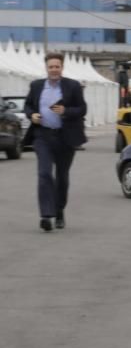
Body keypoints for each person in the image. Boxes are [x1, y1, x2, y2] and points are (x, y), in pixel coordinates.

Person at [23, 51, 88, 232]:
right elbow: (28, 105)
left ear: (62, 67)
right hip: (42, 136)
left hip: (65, 137)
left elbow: (82, 109)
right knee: (44, 174)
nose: (54, 70)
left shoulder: (72, 86)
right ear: (46, 67)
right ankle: (46, 215)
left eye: (57, 66)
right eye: (51, 67)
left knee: (62, 178)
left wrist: (66, 110)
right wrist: (32, 115)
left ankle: (59, 210)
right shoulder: (36, 86)